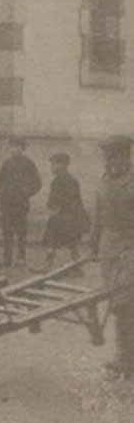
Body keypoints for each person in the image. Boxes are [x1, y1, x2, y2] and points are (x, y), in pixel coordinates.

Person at [88, 135, 134, 378]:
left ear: (126, 156)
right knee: (118, 304)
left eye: (114, 156)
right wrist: (93, 242)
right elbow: (99, 215)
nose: (109, 161)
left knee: (126, 303)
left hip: (130, 248)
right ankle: (124, 355)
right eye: (106, 156)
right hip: (109, 249)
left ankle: (127, 358)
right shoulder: (104, 181)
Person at [0, 136, 42, 267]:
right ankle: (7, 258)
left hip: (21, 203)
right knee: (6, 232)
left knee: (21, 231)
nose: (14, 149)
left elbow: (37, 183)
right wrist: (1, 192)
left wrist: (26, 193)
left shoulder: (28, 164)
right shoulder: (7, 163)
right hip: (6, 203)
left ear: (23, 148)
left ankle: (21, 258)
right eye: (11, 146)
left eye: (17, 146)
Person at [42, 152, 89, 272]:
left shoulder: (59, 180)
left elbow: (57, 201)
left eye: (54, 164)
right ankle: (76, 267)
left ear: (62, 165)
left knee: (51, 239)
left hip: (64, 216)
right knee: (71, 242)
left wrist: (53, 211)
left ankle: (48, 266)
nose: (51, 167)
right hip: (73, 216)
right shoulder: (71, 179)